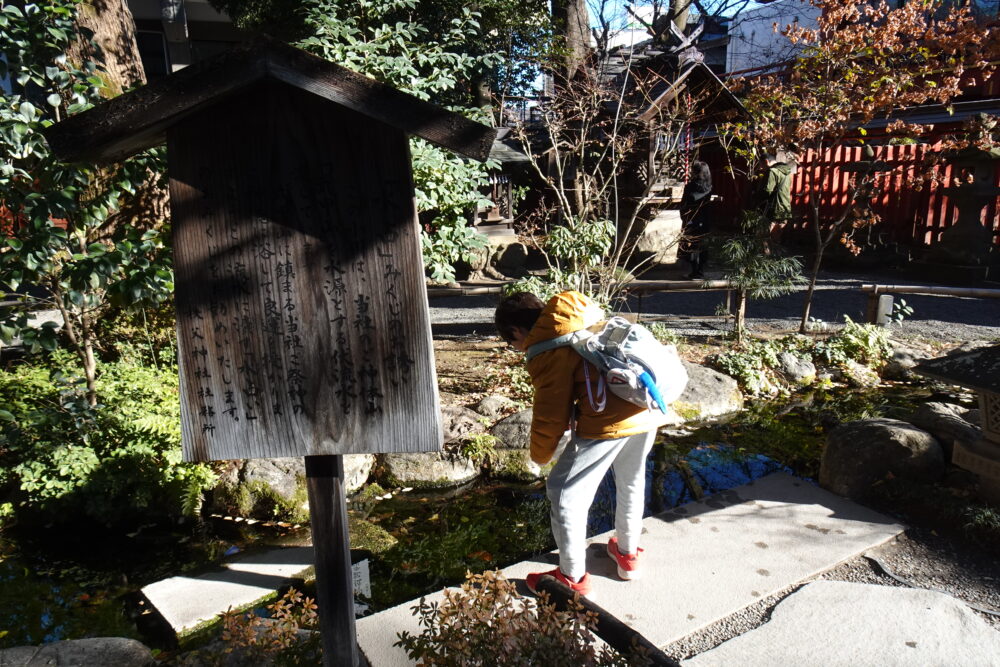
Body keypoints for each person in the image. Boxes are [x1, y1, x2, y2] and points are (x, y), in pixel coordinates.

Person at [494, 290, 673, 597]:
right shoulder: (585, 321)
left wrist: (540, 456)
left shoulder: (548, 349)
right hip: (646, 407)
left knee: (564, 494)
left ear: (516, 331)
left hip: (608, 422)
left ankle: (571, 577)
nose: (516, 348)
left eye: (512, 343)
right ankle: (628, 554)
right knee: (630, 480)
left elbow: (551, 414)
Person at [679, 161, 713, 280]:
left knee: (692, 244)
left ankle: (694, 271)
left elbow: (684, 204)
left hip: (692, 218)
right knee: (702, 245)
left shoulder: (690, 187)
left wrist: (684, 217)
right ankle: (701, 271)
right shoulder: (709, 187)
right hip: (705, 218)